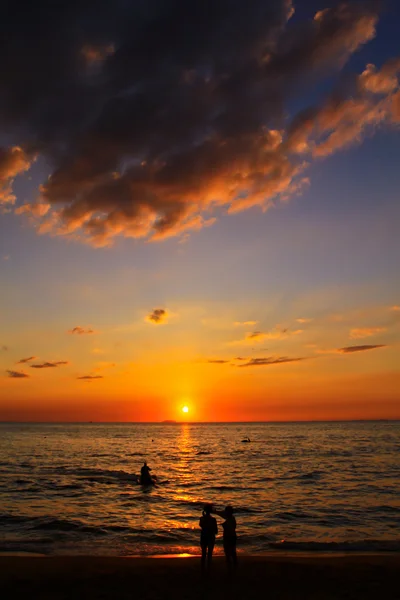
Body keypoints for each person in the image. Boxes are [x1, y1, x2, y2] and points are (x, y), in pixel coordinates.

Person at [213, 505, 237, 571]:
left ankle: (231, 567)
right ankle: (233, 566)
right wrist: (216, 512)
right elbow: (222, 514)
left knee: (229, 552)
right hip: (232, 536)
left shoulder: (230, 519)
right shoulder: (232, 518)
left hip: (228, 536)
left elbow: (223, 515)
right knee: (232, 552)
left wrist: (215, 512)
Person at [199, 504, 218, 573]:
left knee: (203, 554)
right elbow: (216, 531)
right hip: (211, 537)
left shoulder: (201, 518)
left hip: (203, 537)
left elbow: (201, 525)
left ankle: (202, 569)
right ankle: (208, 569)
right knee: (210, 554)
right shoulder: (213, 520)